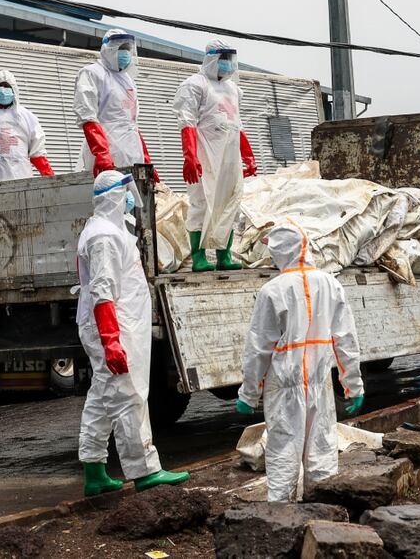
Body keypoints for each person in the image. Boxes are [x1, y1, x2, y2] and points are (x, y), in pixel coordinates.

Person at [76, 171, 188, 496]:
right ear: (114, 197)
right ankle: (145, 470)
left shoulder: (109, 230)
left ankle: (94, 470)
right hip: (114, 327)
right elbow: (103, 291)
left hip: (118, 325)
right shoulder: (104, 237)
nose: (130, 198)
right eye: (125, 192)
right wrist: (111, 340)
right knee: (129, 396)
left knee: (102, 397)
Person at [236, 223, 364, 502]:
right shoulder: (331, 285)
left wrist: (249, 393)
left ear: (282, 250)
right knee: (322, 451)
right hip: (320, 384)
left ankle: (280, 516)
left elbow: (258, 348)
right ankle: (324, 511)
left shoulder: (272, 291)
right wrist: (353, 385)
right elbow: (346, 340)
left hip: (283, 387)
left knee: (283, 452)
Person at [173, 41, 257, 272]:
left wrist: (247, 156)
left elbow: (236, 124)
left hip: (230, 156)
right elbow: (187, 122)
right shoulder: (194, 85)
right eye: (223, 58)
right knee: (201, 203)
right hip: (206, 154)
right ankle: (199, 257)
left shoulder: (233, 89)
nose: (227, 64)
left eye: (230, 59)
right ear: (211, 58)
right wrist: (190, 156)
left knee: (230, 202)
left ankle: (224, 256)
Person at [74, 29, 160, 181]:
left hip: (133, 152)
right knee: (110, 193)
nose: (125, 53)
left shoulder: (128, 80)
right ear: (108, 48)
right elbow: (87, 116)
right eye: (121, 48)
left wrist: (146, 160)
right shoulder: (92, 73)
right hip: (107, 151)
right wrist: (102, 152)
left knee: (137, 194)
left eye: (127, 49)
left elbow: (132, 123)